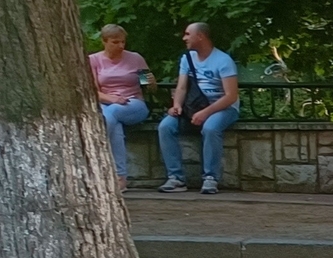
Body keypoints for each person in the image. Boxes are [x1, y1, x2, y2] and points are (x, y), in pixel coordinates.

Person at [156, 23, 239, 194]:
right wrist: (177, 106)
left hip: (223, 108)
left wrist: (206, 113)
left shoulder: (223, 61)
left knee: (210, 128)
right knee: (165, 126)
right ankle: (176, 178)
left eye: (187, 34)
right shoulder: (187, 58)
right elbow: (182, 87)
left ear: (200, 36)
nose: (184, 38)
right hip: (193, 106)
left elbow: (231, 96)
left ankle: (210, 178)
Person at [87, 25, 150, 186]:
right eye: (115, 42)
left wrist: (149, 80)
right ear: (104, 41)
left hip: (133, 103)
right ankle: (120, 178)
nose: (121, 46)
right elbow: (93, 91)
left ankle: (95, 148)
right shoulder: (93, 60)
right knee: (115, 125)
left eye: (123, 42)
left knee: (112, 114)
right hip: (106, 103)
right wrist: (111, 98)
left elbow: (148, 85)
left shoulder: (135, 58)